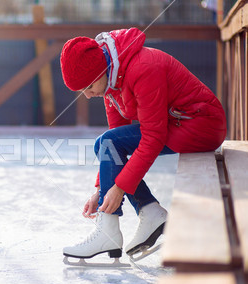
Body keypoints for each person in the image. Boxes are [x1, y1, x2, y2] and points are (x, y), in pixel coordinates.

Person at [60, 28, 227, 260]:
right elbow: (115, 138)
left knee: (108, 142)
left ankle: (109, 232)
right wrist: (100, 191)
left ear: (102, 70)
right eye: (82, 91)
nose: (88, 95)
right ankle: (149, 212)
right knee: (105, 144)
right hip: (179, 124)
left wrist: (119, 189)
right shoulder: (110, 81)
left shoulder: (143, 68)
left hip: (201, 125)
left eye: (89, 87)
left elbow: (153, 137)